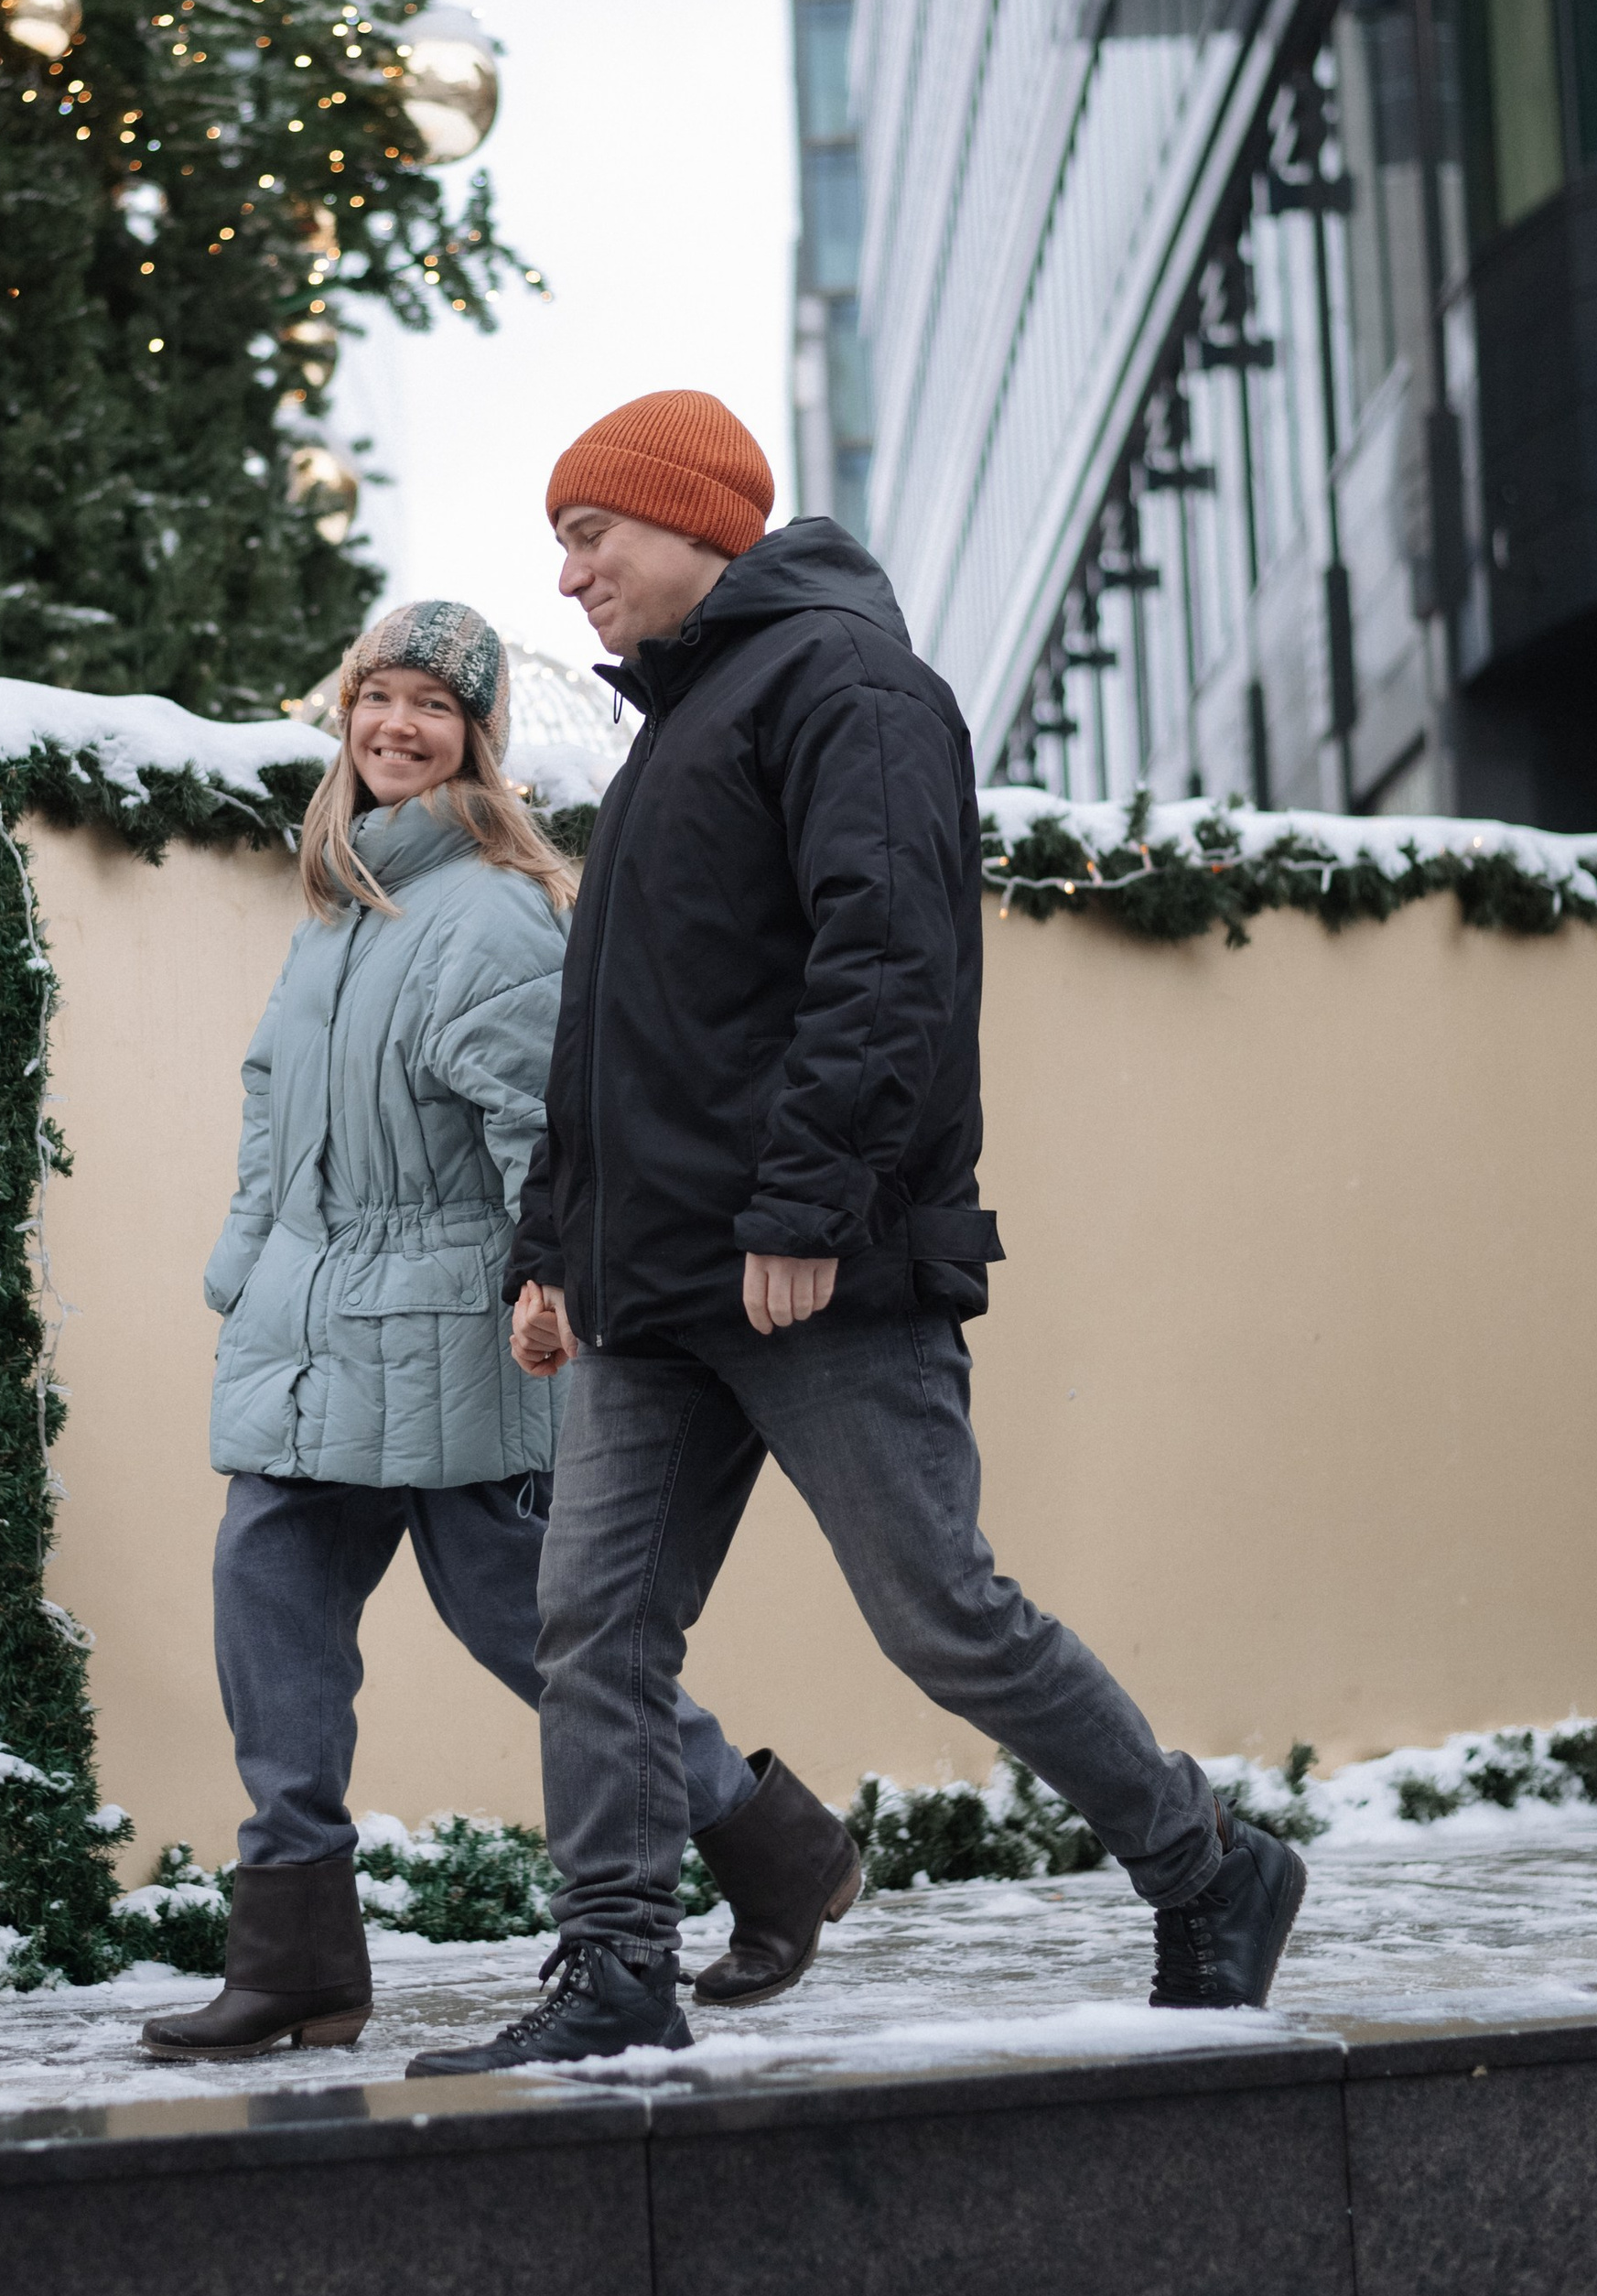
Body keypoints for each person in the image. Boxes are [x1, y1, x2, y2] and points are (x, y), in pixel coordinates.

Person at [410, 395, 1308, 2075]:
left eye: (593, 529)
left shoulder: (850, 686)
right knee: (591, 1627)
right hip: (655, 1287)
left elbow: (891, 955)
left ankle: (1208, 1862)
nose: (570, 568)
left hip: (809, 1268)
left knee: (940, 1613)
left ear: (695, 522)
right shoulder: (678, 727)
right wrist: (551, 1251)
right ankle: (617, 1967)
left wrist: (812, 1201)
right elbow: (614, 1035)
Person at [143, 598, 819, 2063]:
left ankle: (775, 1849)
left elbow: (548, 1136)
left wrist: (554, 1296)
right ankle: (299, 1959)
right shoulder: (343, 904)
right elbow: (276, 1122)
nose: (398, 726)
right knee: (270, 1616)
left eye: (432, 708)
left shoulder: (493, 910)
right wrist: (245, 1270)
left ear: (477, 740)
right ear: (347, 714)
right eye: (378, 697)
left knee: (538, 1636)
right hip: (314, 1334)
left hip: (462, 1331)